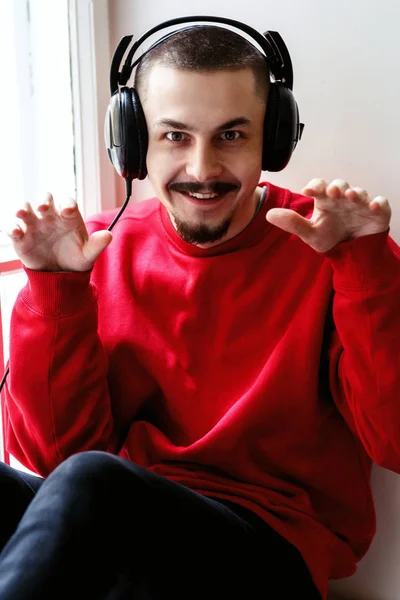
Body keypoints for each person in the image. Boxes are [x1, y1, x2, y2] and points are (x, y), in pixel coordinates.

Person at [0, 16, 399, 600]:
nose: (203, 169)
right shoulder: (101, 252)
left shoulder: (333, 250)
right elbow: (53, 459)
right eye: (175, 136)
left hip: (266, 553)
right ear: (134, 142)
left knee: (94, 483)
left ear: (276, 137)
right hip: (128, 527)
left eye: (232, 135)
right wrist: (56, 290)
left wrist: (367, 272)